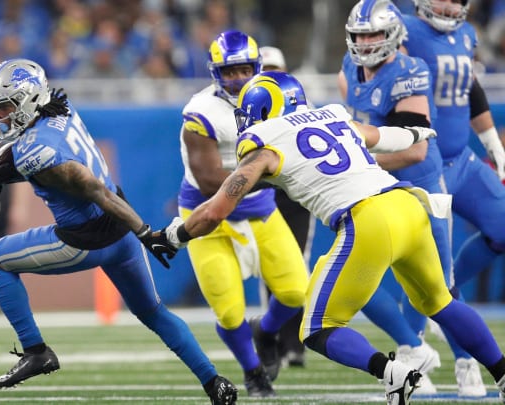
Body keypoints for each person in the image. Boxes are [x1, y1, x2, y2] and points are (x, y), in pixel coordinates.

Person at [155, 70, 505, 405]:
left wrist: (176, 234)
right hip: (408, 204)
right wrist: (419, 134)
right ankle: (502, 373)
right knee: (440, 302)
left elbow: (215, 210)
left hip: (367, 220)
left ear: (260, 110)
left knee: (318, 329)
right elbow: (384, 137)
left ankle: (392, 372)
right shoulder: (333, 116)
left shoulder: (263, 146)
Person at [0, 58, 237, 405]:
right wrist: (139, 234)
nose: (0, 117)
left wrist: (147, 233)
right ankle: (214, 382)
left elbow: (91, 189)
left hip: (85, 240)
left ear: (26, 100)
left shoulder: (35, 153)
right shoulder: (59, 107)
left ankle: (35, 350)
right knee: (154, 313)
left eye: (6, 107)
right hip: (121, 234)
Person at [339, 0, 486, 396]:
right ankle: (413, 347)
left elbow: (415, 151)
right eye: (360, 35)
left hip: (420, 187)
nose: (366, 43)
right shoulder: (349, 67)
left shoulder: (409, 73)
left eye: (374, 35)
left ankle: (467, 360)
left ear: (393, 36)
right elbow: (353, 106)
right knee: (354, 275)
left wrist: (355, 156)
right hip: (379, 187)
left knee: (439, 288)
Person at [176, 30, 308, 397]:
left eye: (244, 69)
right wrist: (274, 178)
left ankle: (265, 333)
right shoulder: (200, 112)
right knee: (230, 312)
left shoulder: (276, 96)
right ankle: (253, 372)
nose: (237, 78)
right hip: (209, 217)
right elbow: (207, 182)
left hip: (261, 212)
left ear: (258, 66)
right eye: (229, 71)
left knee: (296, 291)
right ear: (216, 72)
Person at [401, 0, 505, 395]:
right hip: (423, 163)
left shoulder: (465, 34)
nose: (449, 4)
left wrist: (491, 139)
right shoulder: (403, 30)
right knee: (429, 265)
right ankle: (428, 351)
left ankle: (450, 292)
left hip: (461, 158)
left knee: (502, 228)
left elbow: (470, 87)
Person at [258, 44, 313, 369]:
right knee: (270, 269)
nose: (272, 78)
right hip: (264, 195)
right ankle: (275, 339)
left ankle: (295, 342)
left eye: (276, 71)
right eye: (266, 72)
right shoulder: (249, 105)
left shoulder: (302, 103)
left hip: (295, 195)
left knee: (297, 267)